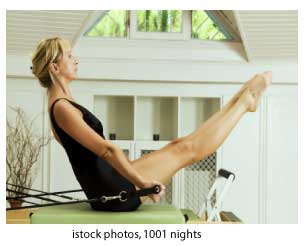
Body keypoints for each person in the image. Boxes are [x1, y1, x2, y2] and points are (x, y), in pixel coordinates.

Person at [31, 37, 272, 212]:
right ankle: (243, 103)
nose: (76, 59)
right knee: (186, 151)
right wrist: (142, 183)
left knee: (180, 145)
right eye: (69, 55)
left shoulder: (61, 103)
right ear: (54, 68)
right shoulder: (61, 107)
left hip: (110, 182)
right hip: (114, 193)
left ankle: (239, 101)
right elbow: (106, 150)